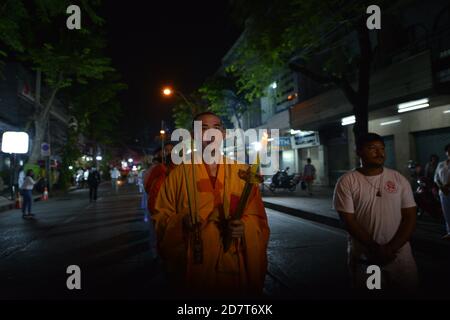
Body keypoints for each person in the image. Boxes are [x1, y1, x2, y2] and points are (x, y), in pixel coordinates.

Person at [153, 111, 269, 297]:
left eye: (216, 128)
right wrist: (182, 222)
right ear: (192, 136)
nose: (210, 134)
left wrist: (244, 226)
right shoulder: (178, 176)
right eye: (203, 129)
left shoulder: (243, 173)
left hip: (233, 264)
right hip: (196, 265)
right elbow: (161, 219)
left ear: (223, 134)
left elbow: (258, 218)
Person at [333, 133, 418, 292]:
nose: (380, 153)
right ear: (359, 152)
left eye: (382, 148)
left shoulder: (398, 179)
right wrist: (374, 248)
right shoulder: (347, 181)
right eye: (372, 149)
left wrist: (392, 248)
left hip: (400, 258)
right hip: (367, 258)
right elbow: (347, 220)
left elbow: (410, 217)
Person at [434, 144, 450, 239]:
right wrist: (441, 187)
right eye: (448, 150)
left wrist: (446, 186)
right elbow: (436, 177)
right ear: (446, 152)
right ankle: (449, 232)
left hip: (447, 189)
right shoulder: (441, 164)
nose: (449, 152)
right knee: (447, 212)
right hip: (443, 192)